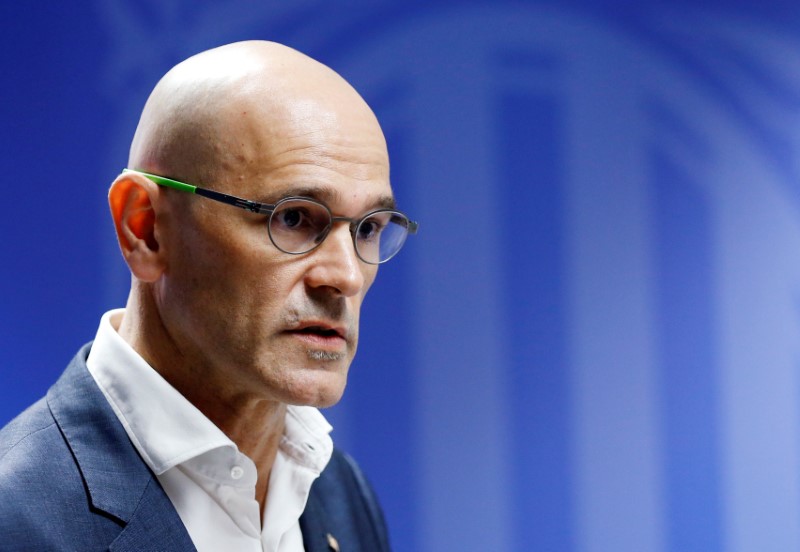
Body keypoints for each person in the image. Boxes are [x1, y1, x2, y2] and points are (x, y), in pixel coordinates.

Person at [0, 40, 416, 551]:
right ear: (146, 229)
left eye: (369, 227)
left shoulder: (340, 493)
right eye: (293, 217)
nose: (346, 275)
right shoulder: (16, 520)